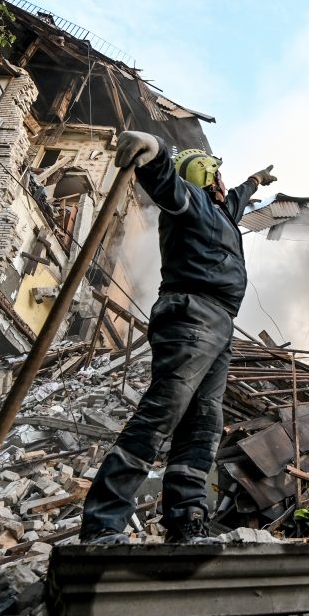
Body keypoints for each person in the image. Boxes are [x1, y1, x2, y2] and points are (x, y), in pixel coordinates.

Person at [80, 132, 276, 545]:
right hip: (192, 314)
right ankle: (103, 523)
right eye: (218, 175)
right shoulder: (191, 200)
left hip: (218, 322)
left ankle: (186, 520)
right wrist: (152, 151)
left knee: (204, 422)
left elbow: (237, 198)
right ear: (205, 177)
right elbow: (165, 183)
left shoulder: (221, 210)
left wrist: (257, 180)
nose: (225, 183)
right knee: (163, 412)